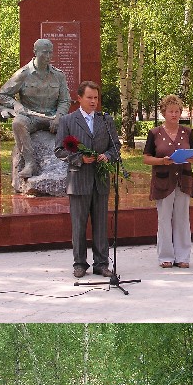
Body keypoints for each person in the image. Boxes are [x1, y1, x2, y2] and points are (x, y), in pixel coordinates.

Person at [55, 81, 119, 278]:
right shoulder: (67, 121)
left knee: (101, 224)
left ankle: (101, 263)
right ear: (80, 98)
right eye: (89, 97)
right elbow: (59, 150)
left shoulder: (106, 120)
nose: (93, 101)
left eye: (96, 98)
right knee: (79, 224)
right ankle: (79, 263)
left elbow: (115, 146)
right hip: (79, 180)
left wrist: (107, 155)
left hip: (100, 181)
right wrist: (79, 158)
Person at [0, 39, 71, 178]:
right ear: (35, 52)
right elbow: (2, 94)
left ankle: (73, 163)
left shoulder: (59, 75)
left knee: (74, 125)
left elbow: (65, 100)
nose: (48, 56)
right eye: (44, 53)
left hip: (52, 117)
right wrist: (16, 104)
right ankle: (30, 163)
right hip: (30, 117)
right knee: (18, 123)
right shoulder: (23, 74)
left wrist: (59, 117)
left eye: (50, 53)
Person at [143, 94, 193, 268]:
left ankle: (183, 256)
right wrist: (162, 161)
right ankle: (165, 256)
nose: (174, 115)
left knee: (182, 218)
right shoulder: (154, 133)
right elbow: (146, 158)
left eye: (177, 111)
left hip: (183, 179)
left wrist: (191, 158)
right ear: (163, 113)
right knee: (164, 218)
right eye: (170, 111)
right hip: (163, 180)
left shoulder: (187, 132)